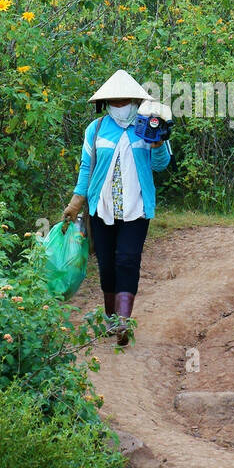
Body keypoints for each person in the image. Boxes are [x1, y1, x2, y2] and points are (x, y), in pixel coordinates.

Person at [61, 70, 171, 347]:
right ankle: (111, 318)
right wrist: (77, 201)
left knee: (127, 260)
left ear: (136, 102)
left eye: (125, 101)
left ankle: (124, 321)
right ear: (106, 104)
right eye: (115, 102)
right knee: (107, 266)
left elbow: (160, 164)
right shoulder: (96, 129)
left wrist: (157, 144)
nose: (120, 107)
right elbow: (88, 167)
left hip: (136, 208)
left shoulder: (150, 125)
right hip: (102, 208)